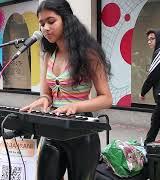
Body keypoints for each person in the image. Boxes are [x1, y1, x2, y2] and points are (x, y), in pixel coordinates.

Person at [20, 0, 112, 179]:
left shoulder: (89, 54)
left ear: (67, 20)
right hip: (53, 129)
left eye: (51, 21)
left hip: (82, 133)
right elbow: (47, 94)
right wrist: (44, 99)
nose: (45, 28)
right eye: (42, 23)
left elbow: (106, 98)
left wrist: (76, 107)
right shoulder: (49, 55)